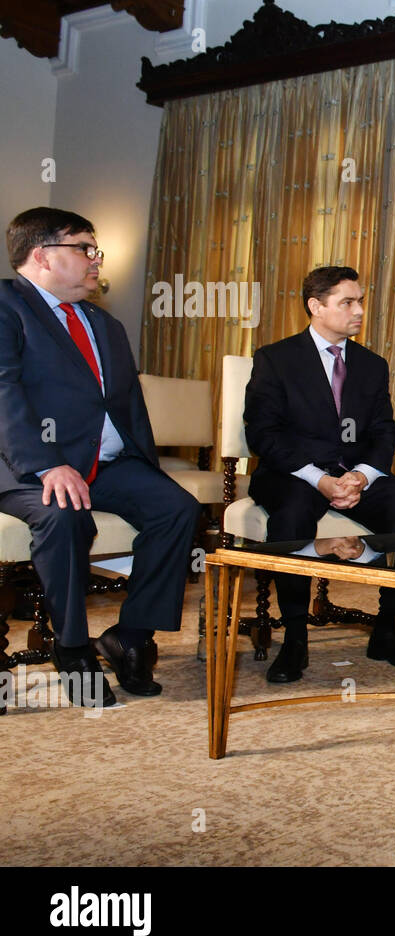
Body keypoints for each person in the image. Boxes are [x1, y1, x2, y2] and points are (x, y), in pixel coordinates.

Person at [0, 206, 200, 707]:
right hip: (25, 465)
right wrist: (46, 463)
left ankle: (131, 636)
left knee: (176, 508)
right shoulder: (7, 306)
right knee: (64, 515)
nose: (96, 261)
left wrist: (145, 467)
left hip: (105, 464)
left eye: (96, 250)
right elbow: (3, 393)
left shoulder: (102, 322)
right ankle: (71, 648)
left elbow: (128, 405)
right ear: (43, 255)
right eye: (84, 249)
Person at [245, 266, 395, 684]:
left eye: (361, 301)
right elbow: (263, 434)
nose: (359, 310)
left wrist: (363, 477)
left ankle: (387, 629)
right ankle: (295, 637)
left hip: (355, 476)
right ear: (316, 306)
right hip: (293, 474)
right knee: (291, 517)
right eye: (348, 302)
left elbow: (385, 431)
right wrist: (320, 479)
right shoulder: (275, 359)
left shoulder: (371, 364)